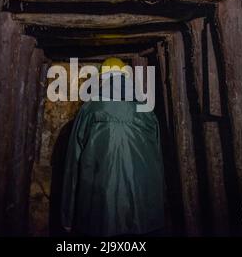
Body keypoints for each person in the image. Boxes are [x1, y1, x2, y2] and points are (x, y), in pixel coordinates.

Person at [61, 57, 165, 236]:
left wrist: (67, 217)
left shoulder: (90, 109)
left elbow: (73, 166)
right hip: (144, 212)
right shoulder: (147, 110)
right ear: (127, 78)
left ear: (102, 80)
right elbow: (157, 161)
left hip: (99, 211)